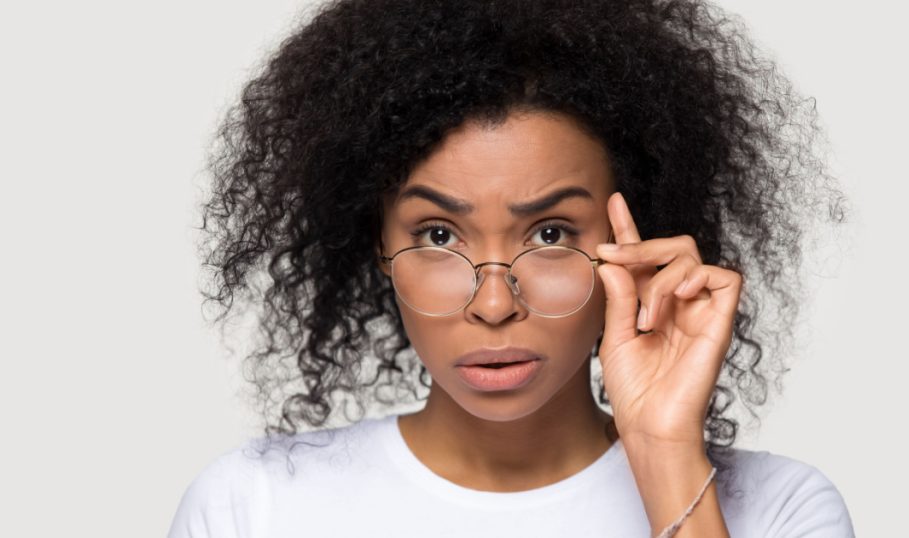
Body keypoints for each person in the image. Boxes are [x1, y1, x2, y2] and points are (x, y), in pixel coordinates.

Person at [170, 0, 854, 536]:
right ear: (376, 243)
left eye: (551, 232)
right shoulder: (253, 509)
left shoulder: (778, 512)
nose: (494, 304)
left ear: (631, 242)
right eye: (438, 234)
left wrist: (666, 456)